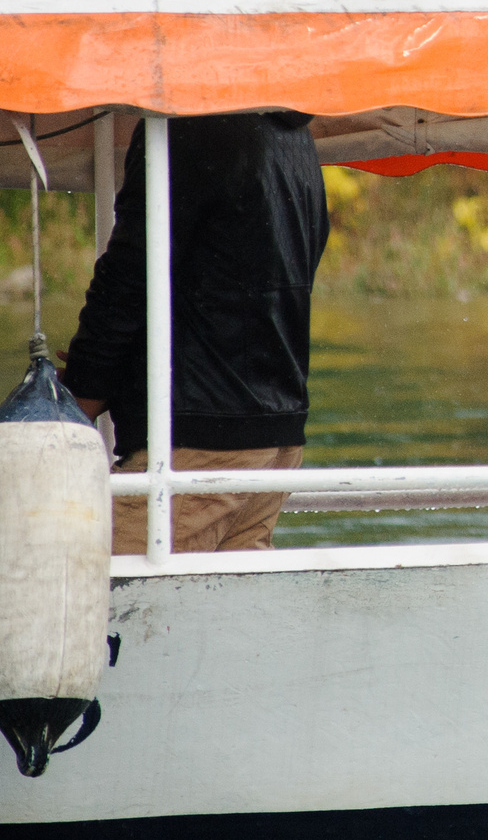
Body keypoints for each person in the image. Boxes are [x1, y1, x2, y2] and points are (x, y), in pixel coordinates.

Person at [64, 112, 330, 554]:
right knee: (223, 616)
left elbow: (129, 277)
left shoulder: (183, 130)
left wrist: (77, 400)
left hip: (196, 443)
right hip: (276, 439)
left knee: (94, 601)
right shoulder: (297, 139)